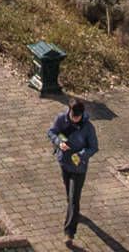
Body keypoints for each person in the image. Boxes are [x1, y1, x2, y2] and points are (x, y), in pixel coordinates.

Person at [47, 96, 97, 244]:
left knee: (74, 199)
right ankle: (74, 214)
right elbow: (51, 132)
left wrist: (81, 155)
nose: (75, 119)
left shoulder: (88, 127)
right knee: (69, 195)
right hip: (64, 163)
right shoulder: (61, 119)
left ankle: (69, 232)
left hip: (79, 167)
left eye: (78, 117)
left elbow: (94, 147)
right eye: (73, 116)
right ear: (69, 111)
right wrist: (58, 142)